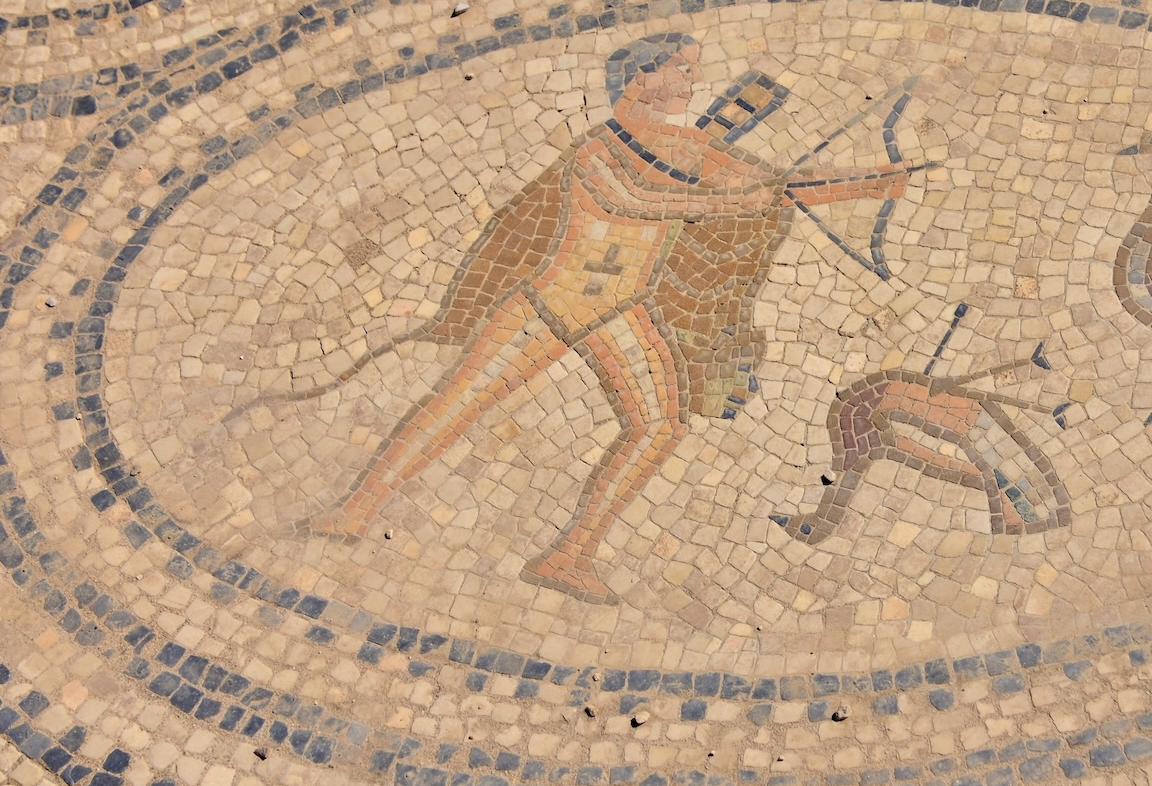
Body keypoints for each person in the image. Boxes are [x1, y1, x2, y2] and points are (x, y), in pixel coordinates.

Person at [312, 34, 911, 603]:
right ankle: (356, 509)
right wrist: (729, 200)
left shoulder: (689, 148)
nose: (691, 77)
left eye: (691, 67)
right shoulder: (598, 150)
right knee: (460, 401)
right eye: (680, 66)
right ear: (639, 77)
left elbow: (777, 186)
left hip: (620, 310)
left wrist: (866, 185)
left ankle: (570, 554)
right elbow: (632, 201)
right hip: (550, 302)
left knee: (660, 425)